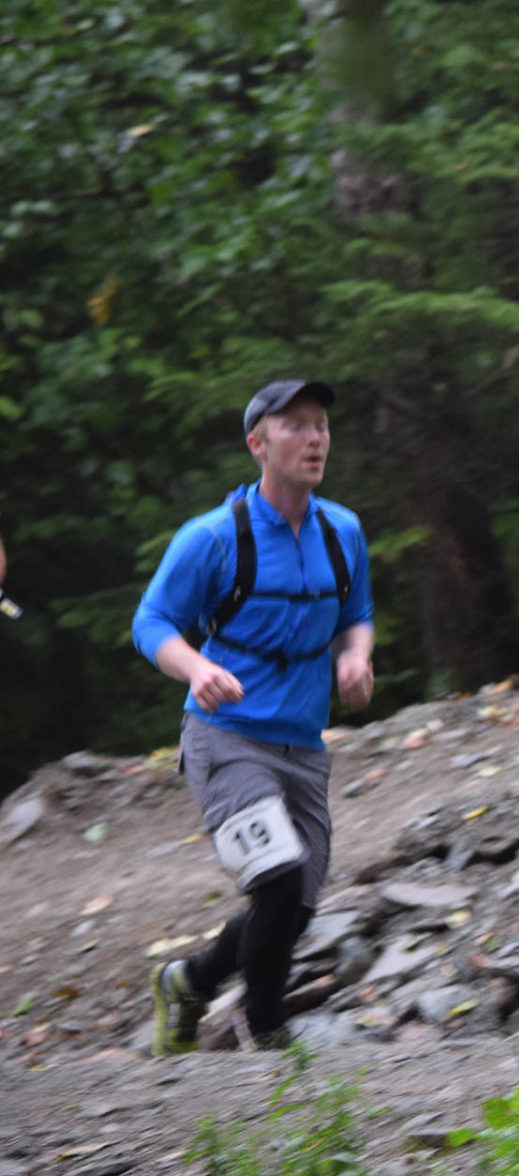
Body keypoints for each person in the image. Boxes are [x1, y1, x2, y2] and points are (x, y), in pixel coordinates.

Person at [135, 379, 374, 1053]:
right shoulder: (212, 538)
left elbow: (356, 617)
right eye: (295, 425)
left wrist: (355, 658)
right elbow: (151, 622)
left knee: (293, 906)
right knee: (276, 878)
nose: (314, 437)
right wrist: (198, 668)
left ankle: (189, 980)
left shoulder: (343, 531)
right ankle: (267, 1036)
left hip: (304, 745)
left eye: (321, 424)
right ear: (257, 443)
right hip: (226, 740)